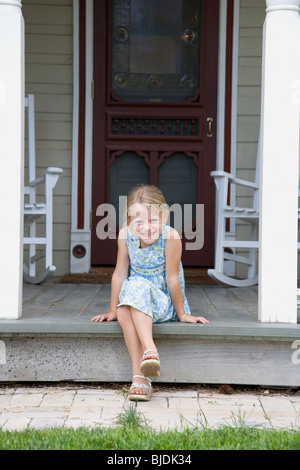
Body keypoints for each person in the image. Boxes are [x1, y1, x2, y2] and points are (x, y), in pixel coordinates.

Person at [91, 184, 210, 401]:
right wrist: (112, 310)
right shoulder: (125, 236)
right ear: (129, 221)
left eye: (153, 220)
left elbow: (172, 278)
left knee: (135, 288)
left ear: (164, 217)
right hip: (134, 302)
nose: (147, 228)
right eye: (139, 222)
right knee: (125, 308)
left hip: (162, 303)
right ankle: (141, 376)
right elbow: (119, 274)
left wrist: (182, 313)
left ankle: (148, 352)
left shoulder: (170, 237)